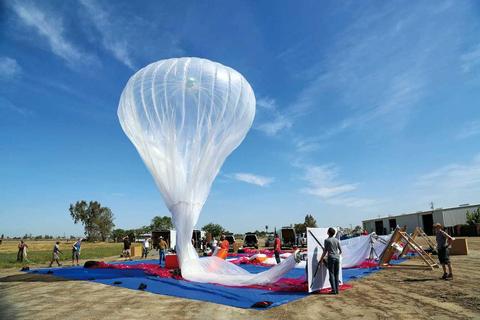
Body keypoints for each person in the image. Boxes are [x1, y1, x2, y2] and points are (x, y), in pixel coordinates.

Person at [320, 228, 342, 294]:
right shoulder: (336, 240)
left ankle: (333, 290)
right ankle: (337, 290)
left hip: (331, 258)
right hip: (337, 258)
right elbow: (340, 251)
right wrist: (336, 254)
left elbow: (325, 251)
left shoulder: (327, 240)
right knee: (336, 274)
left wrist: (321, 259)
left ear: (329, 233)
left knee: (331, 274)